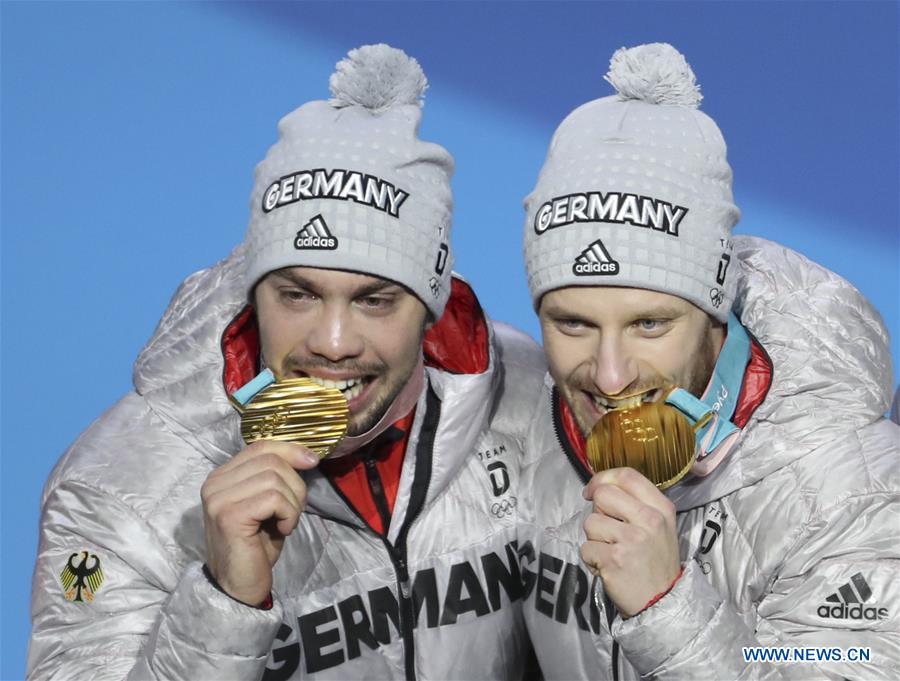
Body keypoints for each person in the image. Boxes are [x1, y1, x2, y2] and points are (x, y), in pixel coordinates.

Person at [28, 44, 544, 680]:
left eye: (374, 300)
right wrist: (225, 602)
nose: (330, 342)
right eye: (297, 294)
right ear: (256, 292)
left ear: (431, 303)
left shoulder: (528, 393)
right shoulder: (120, 488)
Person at [518, 43, 899, 680]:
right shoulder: (519, 430)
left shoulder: (858, 493)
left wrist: (667, 607)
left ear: (715, 311)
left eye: (649, 324)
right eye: (574, 323)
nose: (610, 375)